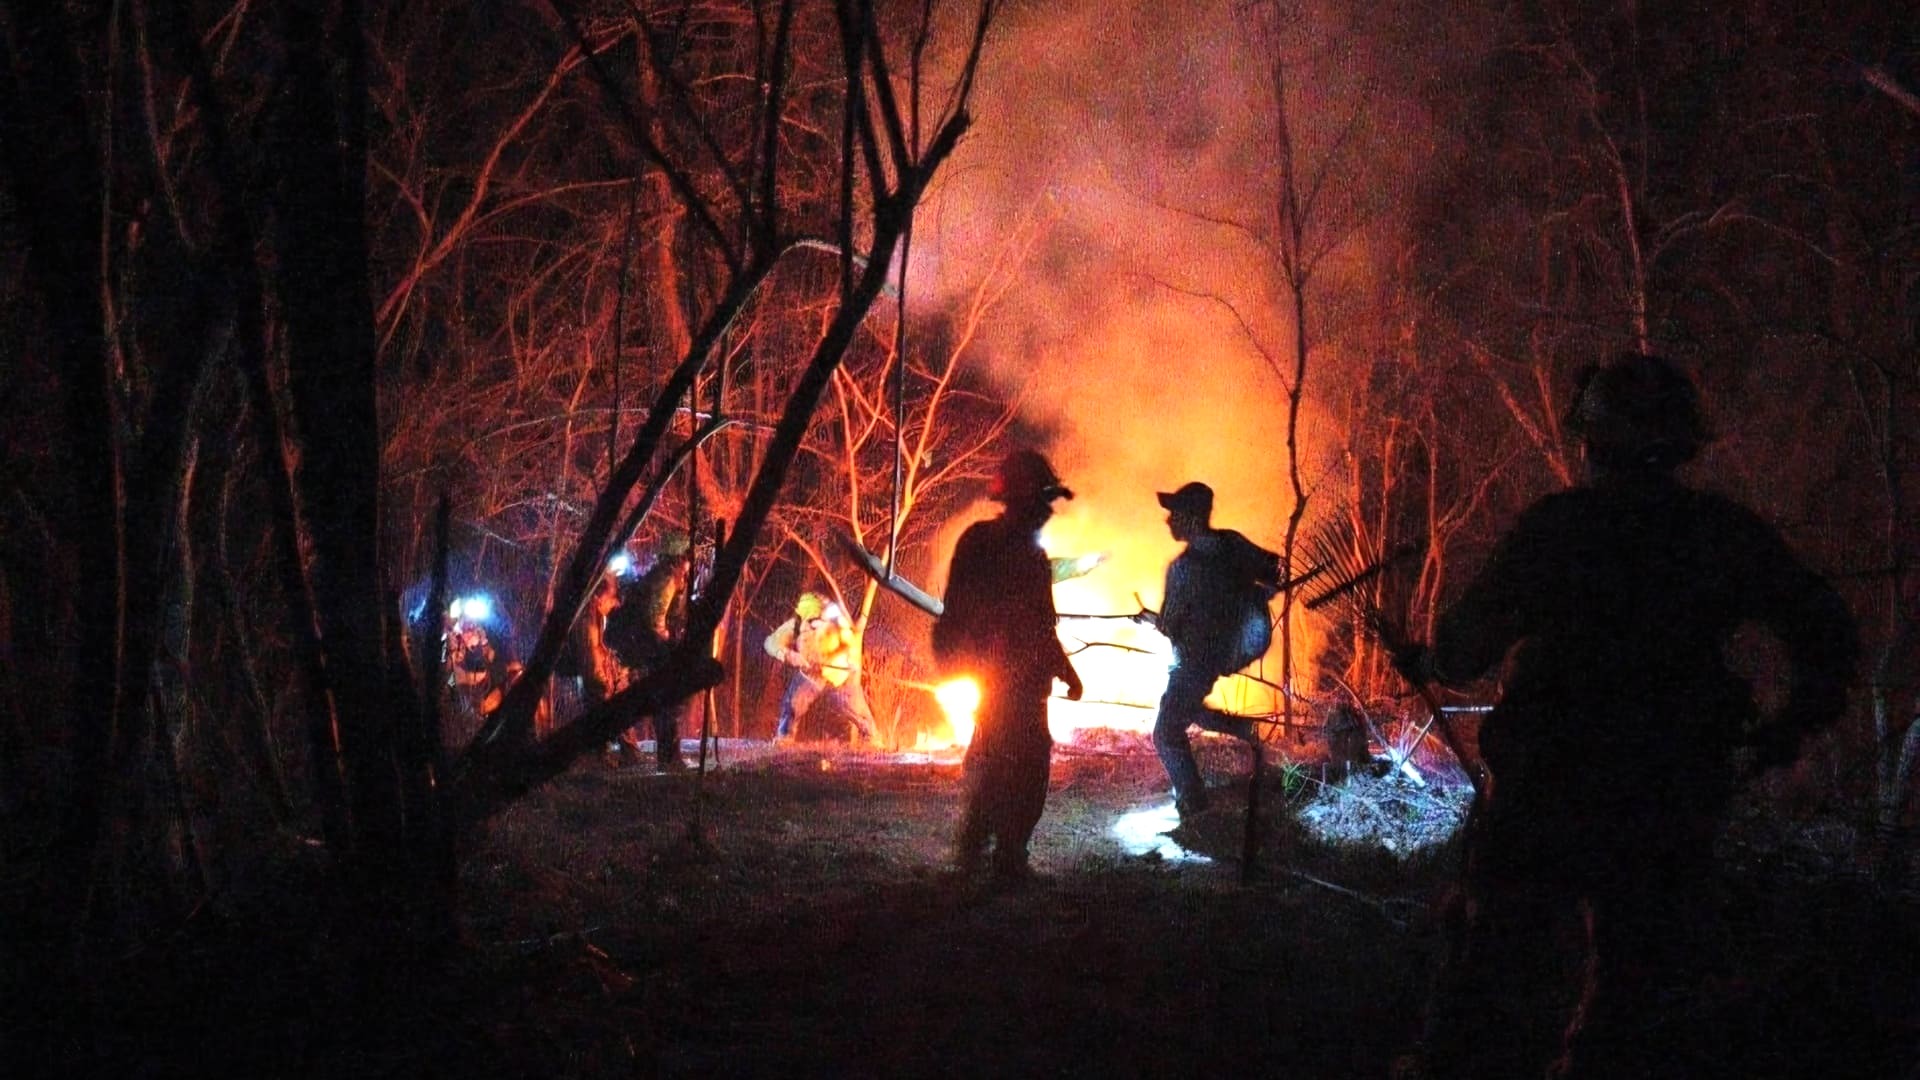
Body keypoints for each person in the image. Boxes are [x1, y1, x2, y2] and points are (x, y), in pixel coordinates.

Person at [1400, 353, 1857, 1078]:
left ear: (1593, 442)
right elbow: (1826, 631)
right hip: (1670, 787)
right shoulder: (1719, 533)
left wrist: (1426, 660)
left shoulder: (1560, 527)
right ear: (1681, 443)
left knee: (1492, 962)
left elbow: (1465, 645)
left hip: (1552, 782)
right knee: (1635, 987)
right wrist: (1789, 724)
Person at [933, 449, 1085, 884]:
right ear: (1022, 501)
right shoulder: (984, 544)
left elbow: (1042, 624)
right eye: (1042, 503)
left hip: (1027, 682)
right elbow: (956, 614)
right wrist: (958, 663)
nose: (1047, 514)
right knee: (1007, 764)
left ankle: (992, 850)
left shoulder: (1033, 556)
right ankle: (993, 852)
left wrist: (1065, 669)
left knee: (1021, 765)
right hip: (1000, 679)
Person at [1146, 480, 1278, 817]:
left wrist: (1152, 620)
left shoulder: (1183, 569)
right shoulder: (1232, 544)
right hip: (1226, 654)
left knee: (1165, 733)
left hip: (1194, 661)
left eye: (1174, 514)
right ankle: (1248, 730)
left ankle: (1194, 807)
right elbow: (1274, 570)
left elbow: (1170, 624)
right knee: (1184, 708)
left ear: (1190, 518)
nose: (1168, 521)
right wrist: (1257, 596)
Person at [605, 536, 694, 770]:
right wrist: (667, 647)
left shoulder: (665, 577)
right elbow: (656, 620)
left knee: (662, 702)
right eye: (686, 558)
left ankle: (661, 755)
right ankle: (668, 757)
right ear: (678, 559)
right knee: (667, 702)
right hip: (651, 650)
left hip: (648, 648)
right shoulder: (665, 580)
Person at [765, 591, 880, 745]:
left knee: (853, 708)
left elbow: (848, 640)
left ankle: (873, 739)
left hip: (838, 673)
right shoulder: (796, 625)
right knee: (792, 703)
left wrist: (832, 655)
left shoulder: (835, 619)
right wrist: (788, 654)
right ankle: (784, 738)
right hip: (811, 674)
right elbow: (771, 643)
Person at [571, 573, 633, 766]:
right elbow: (590, 652)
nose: (614, 604)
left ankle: (620, 753)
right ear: (599, 597)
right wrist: (601, 680)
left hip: (600, 672)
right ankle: (603, 756)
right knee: (601, 713)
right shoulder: (588, 618)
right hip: (595, 676)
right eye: (611, 598)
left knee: (607, 711)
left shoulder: (595, 615)